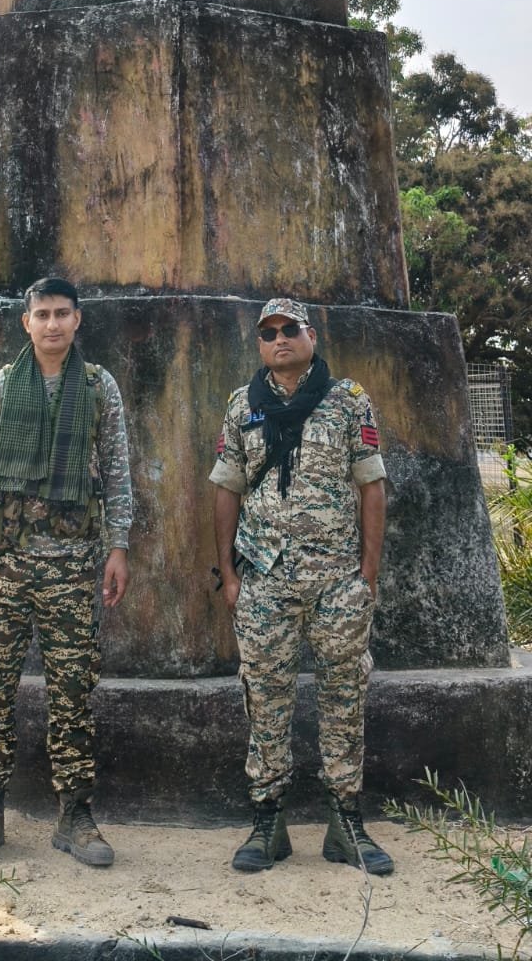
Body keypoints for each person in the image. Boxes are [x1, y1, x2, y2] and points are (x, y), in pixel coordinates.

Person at [0, 274, 132, 869]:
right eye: (42, 314)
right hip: (3, 565)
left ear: (78, 320)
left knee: (73, 693)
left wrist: (118, 546)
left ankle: (75, 814)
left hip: (73, 567)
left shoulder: (99, 387)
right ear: (26, 323)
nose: (52, 324)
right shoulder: (2, 387)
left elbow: (118, 472)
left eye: (61, 313)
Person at [210, 296, 393, 877]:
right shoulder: (242, 405)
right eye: (269, 333)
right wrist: (230, 575)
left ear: (311, 335)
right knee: (264, 699)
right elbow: (227, 488)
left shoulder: (348, 401)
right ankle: (268, 822)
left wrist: (366, 576)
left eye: (290, 328)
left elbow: (371, 486)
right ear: (260, 344)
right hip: (264, 581)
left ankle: (346, 822)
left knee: (344, 697)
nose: (280, 339)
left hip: (337, 582)